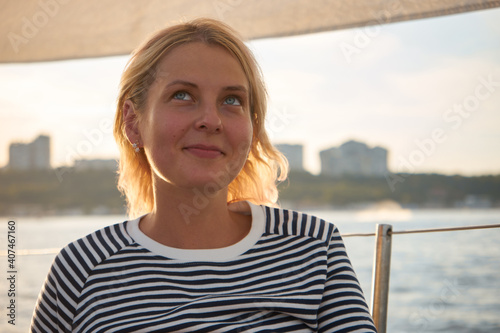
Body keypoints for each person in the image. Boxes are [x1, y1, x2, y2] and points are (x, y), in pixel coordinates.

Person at [30, 18, 377, 332]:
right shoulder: (79, 270)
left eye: (231, 100)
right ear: (134, 123)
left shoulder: (314, 247)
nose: (211, 120)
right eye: (183, 95)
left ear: (252, 128)